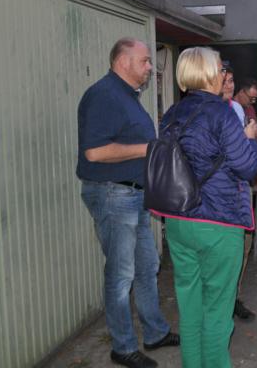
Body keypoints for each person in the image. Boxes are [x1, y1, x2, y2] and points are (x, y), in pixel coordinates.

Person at [77, 37, 179, 368]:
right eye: (145, 61)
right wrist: (149, 148)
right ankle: (122, 347)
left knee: (147, 266)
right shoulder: (104, 95)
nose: (150, 67)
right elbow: (95, 152)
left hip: (134, 195)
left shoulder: (127, 95)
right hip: (113, 195)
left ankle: (155, 333)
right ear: (123, 62)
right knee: (121, 275)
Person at [159, 47, 257, 368]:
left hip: (178, 219)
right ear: (207, 73)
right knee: (217, 311)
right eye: (220, 69)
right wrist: (249, 139)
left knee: (190, 309)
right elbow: (247, 167)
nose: (224, 75)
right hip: (218, 221)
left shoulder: (172, 113)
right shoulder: (221, 113)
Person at [221, 64, 256, 322]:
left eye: (231, 80)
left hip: (240, 188)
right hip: (219, 193)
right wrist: (246, 139)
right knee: (223, 251)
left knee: (243, 246)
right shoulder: (208, 112)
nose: (228, 85)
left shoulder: (236, 108)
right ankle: (220, 301)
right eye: (224, 80)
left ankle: (233, 297)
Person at [235, 78, 257, 158]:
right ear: (241, 92)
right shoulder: (229, 107)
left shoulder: (250, 108)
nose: (253, 102)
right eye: (251, 98)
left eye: (255, 99)